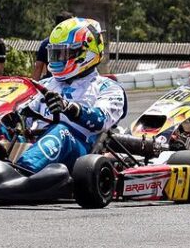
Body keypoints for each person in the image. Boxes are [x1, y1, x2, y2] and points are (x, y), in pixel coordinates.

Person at [14, 17, 126, 174]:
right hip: (36, 141)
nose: (59, 59)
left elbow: (101, 120)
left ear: (86, 52)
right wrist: (15, 115)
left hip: (79, 150)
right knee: (3, 126)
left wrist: (69, 108)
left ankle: (22, 172)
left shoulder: (107, 87)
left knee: (61, 131)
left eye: (65, 53)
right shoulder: (45, 85)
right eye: (56, 53)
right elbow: (26, 113)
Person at [32, 11, 73, 80]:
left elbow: (38, 67)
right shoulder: (74, 42)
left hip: (52, 84)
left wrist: (34, 86)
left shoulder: (47, 43)